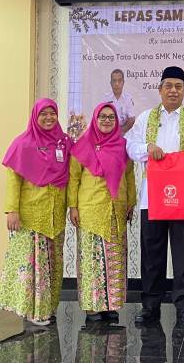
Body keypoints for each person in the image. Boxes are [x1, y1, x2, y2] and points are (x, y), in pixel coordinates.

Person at [125, 66, 184, 325]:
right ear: (160, 89)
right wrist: (147, 148)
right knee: (152, 254)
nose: (173, 91)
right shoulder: (145, 118)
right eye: (169, 86)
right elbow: (130, 147)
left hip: (183, 198)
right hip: (151, 198)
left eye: (178, 86)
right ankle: (150, 306)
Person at [0, 98, 71, 326]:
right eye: (43, 114)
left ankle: (48, 308)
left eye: (52, 113)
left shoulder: (64, 143)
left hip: (56, 215)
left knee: (53, 265)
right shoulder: (23, 144)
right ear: (35, 117)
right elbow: (13, 180)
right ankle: (33, 311)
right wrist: (12, 210)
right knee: (33, 266)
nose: (49, 118)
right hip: (31, 216)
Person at [68, 102, 136, 321]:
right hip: (90, 210)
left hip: (116, 209)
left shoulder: (123, 146)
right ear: (95, 120)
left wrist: (131, 202)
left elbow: (129, 177)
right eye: (103, 117)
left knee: (114, 259)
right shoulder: (82, 145)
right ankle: (92, 306)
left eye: (111, 117)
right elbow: (73, 178)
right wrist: (73, 206)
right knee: (92, 259)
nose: (107, 120)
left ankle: (110, 304)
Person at [104, 69, 135, 134]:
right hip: (109, 132)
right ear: (111, 83)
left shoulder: (128, 99)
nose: (117, 84)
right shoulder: (106, 99)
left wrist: (121, 131)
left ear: (123, 82)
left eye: (119, 80)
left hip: (124, 132)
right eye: (114, 81)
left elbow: (132, 119)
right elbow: (102, 118)